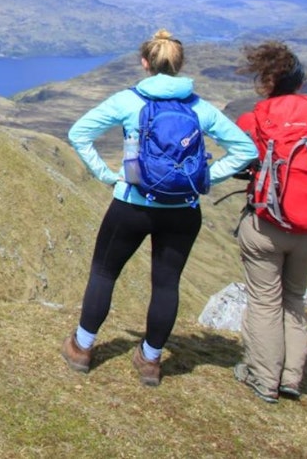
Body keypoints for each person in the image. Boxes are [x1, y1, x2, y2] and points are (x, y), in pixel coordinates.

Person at [61, 30, 257, 386]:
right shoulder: (200, 108)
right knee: (166, 284)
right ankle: (150, 361)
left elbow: (79, 133)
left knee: (105, 273)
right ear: (180, 66)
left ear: (145, 63)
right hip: (184, 211)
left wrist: (107, 175)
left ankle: (82, 348)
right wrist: (205, 178)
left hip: (133, 204)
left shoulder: (128, 101)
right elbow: (246, 151)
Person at [231, 41, 307, 403]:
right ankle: (292, 377)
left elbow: (239, 161)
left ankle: (263, 378)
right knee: (294, 298)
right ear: (300, 81)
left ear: (265, 82)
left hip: (268, 228)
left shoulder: (255, 119)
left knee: (265, 301)